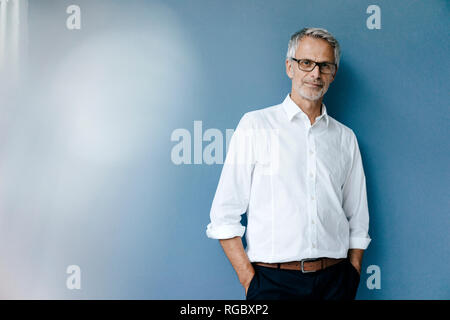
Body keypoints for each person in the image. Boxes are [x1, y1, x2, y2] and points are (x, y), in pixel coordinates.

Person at [206, 27, 371, 300]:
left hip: (336, 282)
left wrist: (352, 272)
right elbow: (223, 216)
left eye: (324, 66)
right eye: (306, 63)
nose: (315, 74)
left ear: (333, 73)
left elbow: (358, 216)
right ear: (289, 67)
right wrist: (250, 282)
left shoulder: (345, 138)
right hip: (273, 283)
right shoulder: (255, 126)